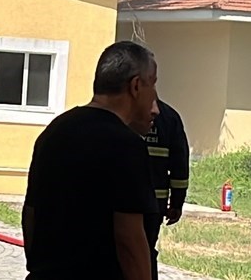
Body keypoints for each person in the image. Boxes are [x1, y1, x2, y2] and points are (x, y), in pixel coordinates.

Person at [22, 40, 159, 280]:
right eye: (153, 83)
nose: (155, 97)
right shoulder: (126, 145)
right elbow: (128, 238)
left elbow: (31, 213)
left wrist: (38, 266)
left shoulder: (54, 132)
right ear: (136, 86)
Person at [144, 99, 190, 280]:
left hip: (118, 205)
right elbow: (180, 165)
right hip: (154, 204)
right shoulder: (169, 117)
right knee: (146, 251)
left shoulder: (119, 112)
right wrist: (177, 203)